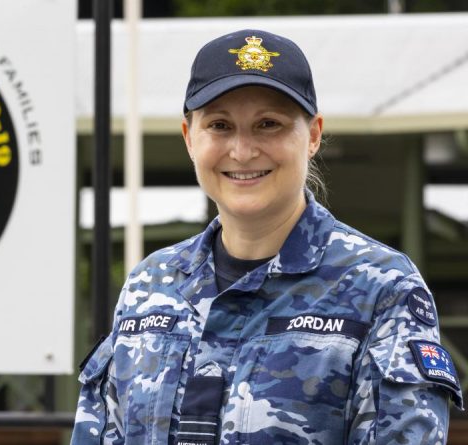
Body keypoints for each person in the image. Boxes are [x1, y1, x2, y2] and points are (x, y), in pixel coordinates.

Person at [71, 29, 463, 445]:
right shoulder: (150, 284)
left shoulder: (381, 288)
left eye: (268, 125)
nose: (242, 150)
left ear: (312, 136)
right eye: (220, 125)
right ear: (189, 138)